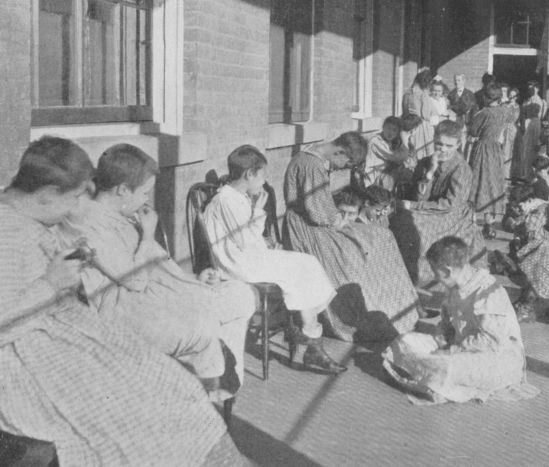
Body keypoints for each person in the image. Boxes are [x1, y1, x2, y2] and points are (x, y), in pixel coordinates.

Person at [0, 136, 248, 466]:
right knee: (138, 411)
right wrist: (50, 283)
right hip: (29, 357)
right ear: (46, 194)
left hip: (71, 332)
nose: (76, 208)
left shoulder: (31, 216)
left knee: (173, 385)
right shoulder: (7, 233)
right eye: (73, 198)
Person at [59, 143, 258, 393]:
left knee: (241, 295)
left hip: (157, 295)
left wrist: (192, 276)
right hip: (129, 308)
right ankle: (217, 384)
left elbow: (155, 267)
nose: (145, 200)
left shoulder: (122, 215)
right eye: (144, 193)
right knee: (226, 311)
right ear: (122, 189)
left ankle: (219, 379)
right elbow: (135, 281)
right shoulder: (91, 223)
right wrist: (147, 235)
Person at [201, 145, 346, 373]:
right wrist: (258, 211)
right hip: (237, 264)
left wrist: (262, 233)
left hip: (247, 256)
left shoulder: (236, 197)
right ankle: (309, 343)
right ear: (250, 175)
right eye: (262, 176)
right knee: (302, 266)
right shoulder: (227, 200)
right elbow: (245, 241)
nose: (263, 182)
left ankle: (309, 339)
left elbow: (247, 238)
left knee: (306, 263)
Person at [283, 132, 421, 342]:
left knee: (383, 237)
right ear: (339, 151)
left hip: (322, 223)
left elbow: (322, 208)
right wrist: (338, 220)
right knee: (362, 253)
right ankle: (378, 311)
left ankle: (403, 305)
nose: (343, 169)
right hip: (307, 230)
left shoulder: (314, 158)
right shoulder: (311, 165)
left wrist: (337, 219)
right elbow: (318, 213)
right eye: (346, 163)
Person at [382, 236, 540, 404]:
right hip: (460, 347)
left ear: (447, 271)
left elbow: (491, 342)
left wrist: (451, 351)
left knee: (447, 367)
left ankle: (427, 376)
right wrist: (443, 339)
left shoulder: (488, 291)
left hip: (496, 359)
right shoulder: (453, 288)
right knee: (403, 341)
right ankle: (429, 377)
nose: (436, 278)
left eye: (436, 272)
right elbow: (447, 325)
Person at [392, 121, 485, 284]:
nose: (443, 149)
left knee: (420, 230)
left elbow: (450, 205)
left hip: (452, 214)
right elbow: (418, 197)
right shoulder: (426, 162)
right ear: (433, 140)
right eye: (439, 144)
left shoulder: (461, 169)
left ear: (458, 144)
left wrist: (413, 206)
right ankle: (399, 271)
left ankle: (419, 276)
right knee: (397, 219)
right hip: (428, 208)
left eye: (449, 146)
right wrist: (430, 172)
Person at [467, 83, 509, 221]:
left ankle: (472, 217)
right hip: (496, 149)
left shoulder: (484, 113)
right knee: (493, 182)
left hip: (483, 148)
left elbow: (473, 131)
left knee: (478, 179)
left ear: (487, 98)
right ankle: (489, 221)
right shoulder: (504, 111)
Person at [362, 116, 415, 191]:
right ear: (383, 127)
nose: (390, 133)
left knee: (408, 172)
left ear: (398, 133)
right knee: (395, 176)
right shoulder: (376, 141)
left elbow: (407, 159)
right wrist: (405, 141)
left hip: (381, 174)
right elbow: (396, 158)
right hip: (372, 180)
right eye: (388, 128)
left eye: (394, 130)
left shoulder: (389, 141)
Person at [512, 81, 546, 179]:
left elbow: (538, 114)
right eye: (530, 88)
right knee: (525, 149)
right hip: (526, 124)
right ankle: (525, 173)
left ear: (537, 89)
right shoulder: (527, 100)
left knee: (531, 149)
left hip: (533, 123)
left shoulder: (539, 100)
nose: (531, 90)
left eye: (534, 88)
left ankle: (530, 174)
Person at [403, 69, 438, 159]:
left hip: (409, 125)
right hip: (421, 127)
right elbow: (425, 115)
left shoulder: (407, 93)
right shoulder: (423, 95)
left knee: (411, 152)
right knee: (424, 155)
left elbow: (404, 111)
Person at [500, 85, 521, 177]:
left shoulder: (519, 107)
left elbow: (520, 119)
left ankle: (513, 173)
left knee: (515, 151)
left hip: (515, 130)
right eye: (511, 95)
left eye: (514, 95)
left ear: (517, 97)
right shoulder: (504, 106)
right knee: (506, 150)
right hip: (506, 130)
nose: (512, 97)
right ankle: (505, 174)